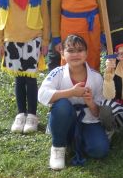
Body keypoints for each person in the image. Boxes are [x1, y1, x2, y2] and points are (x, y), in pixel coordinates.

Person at [0, 0, 49, 134]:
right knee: (19, 79)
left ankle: (32, 115)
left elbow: (45, 16)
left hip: (33, 39)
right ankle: (21, 114)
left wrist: (45, 40)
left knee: (31, 79)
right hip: (11, 40)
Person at [38, 35, 112, 170]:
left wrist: (90, 103)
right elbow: (42, 95)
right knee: (62, 105)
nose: (75, 54)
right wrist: (71, 92)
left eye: (80, 50)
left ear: (86, 53)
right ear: (62, 53)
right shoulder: (57, 73)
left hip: (88, 120)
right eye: (70, 51)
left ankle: (74, 141)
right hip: (64, 119)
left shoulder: (96, 77)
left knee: (99, 150)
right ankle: (58, 147)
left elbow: (97, 113)